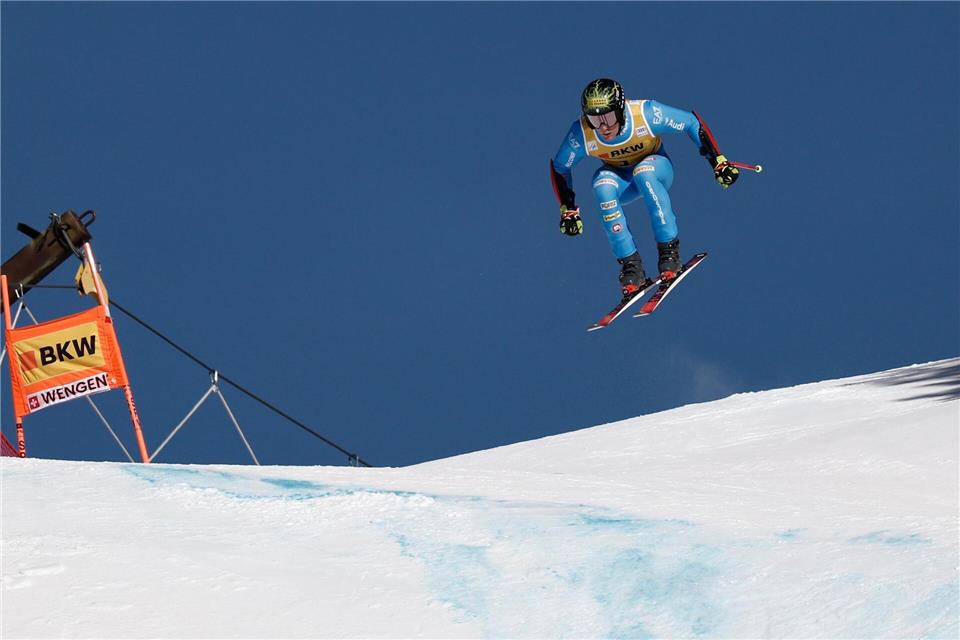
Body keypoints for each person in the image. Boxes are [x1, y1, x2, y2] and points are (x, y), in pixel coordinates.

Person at [550, 78, 740, 299]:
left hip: (656, 168)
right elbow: (560, 166)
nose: (603, 126)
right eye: (594, 118)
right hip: (622, 180)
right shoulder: (582, 133)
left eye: (609, 117)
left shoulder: (645, 113)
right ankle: (631, 267)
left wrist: (718, 161)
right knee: (601, 185)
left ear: (620, 110)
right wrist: (568, 209)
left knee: (644, 173)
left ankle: (669, 252)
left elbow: (690, 122)